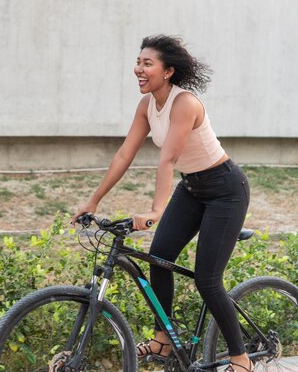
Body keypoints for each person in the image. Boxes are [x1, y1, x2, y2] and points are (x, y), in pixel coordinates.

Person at [72, 35, 252, 372]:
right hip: (193, 188)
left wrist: (156, 211)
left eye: (147, 63)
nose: (138, 69)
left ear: (167, 71)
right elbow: (125, 153)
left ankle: (241, 359)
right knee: (159, 257)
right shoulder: (146, 106)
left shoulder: (185, 104)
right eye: (138, 62)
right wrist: (92, 200)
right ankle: (164, 339)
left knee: (207, 279)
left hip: (226, 190)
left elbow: (167, 159)